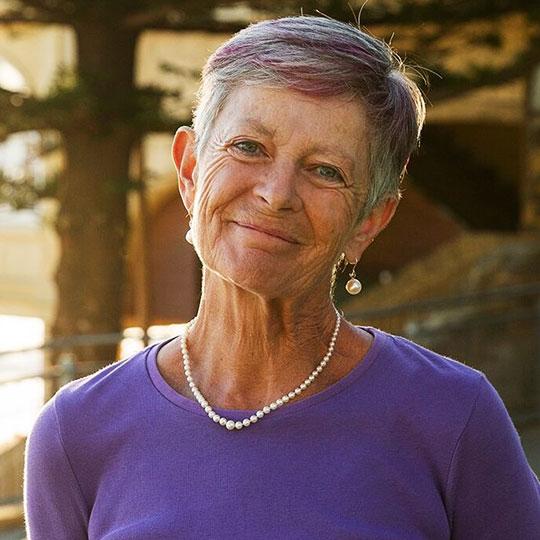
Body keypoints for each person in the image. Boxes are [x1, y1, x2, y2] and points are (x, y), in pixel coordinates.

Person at [24, 15, 540, 539]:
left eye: (326, 171)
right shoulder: (76, 432)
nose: (276, 194)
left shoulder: (453, 417)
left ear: (369, 222)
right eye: (249, 147)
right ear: (189, 170)